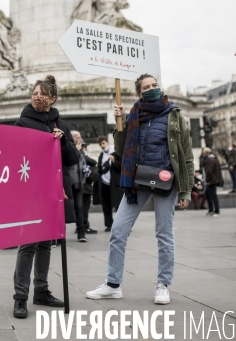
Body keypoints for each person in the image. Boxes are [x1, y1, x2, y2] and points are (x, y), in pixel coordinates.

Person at [86, 74, 193, 305]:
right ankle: (113, 284)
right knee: (118, 231)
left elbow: (186, 153)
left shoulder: (174, 114)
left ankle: (163, 284)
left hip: (166, 180)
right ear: (139, 93)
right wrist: (119, 124)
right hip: (138, 181)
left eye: (155, 85)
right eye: (147, 87)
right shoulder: (133, 115)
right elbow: (123, 150)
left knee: (164, 234)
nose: (153, 88)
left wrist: (185, 190)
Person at [12, 75, 79, 319]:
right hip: (32, 191)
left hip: (55, 190)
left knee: (46, 243)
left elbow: (72, 158)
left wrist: (62, 142)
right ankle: (20, 297)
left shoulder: (60, 123)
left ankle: (41, 290)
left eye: (42, 94)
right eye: (34, 93)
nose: (37, 97)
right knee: (28, 243)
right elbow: (16, 157)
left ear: (52, 98)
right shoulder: (23, 123)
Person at [97, 136, 122, 232]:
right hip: (104, 183)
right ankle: (109, 224)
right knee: (106, 205)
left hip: (114, 184)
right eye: (100, 144)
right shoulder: (101, 155)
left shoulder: (116, 153)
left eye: (103, 143)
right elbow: (100, 169)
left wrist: (114, 161)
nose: (102, 146)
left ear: (107, 142)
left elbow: (122, 166)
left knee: (118, 205)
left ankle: (120, 224)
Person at [78, 139, 99, 234]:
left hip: (83, 186)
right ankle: (84, 226)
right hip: (84, 187)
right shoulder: (82, 156)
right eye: (85, 146)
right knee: (83, 208)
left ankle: (81, 226)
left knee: (81, 208)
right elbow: (93, 161)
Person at [202, 148, 222, 217]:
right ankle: (211, 209)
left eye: (204, 153)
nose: (203, 154)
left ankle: (216, 210)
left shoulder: (210, 160)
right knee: (208, 194)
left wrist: (207, 181)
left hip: (211, 181)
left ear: (207, 153)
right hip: (213, 180)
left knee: (213, 196)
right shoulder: (214, 159)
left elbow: (209, 171)